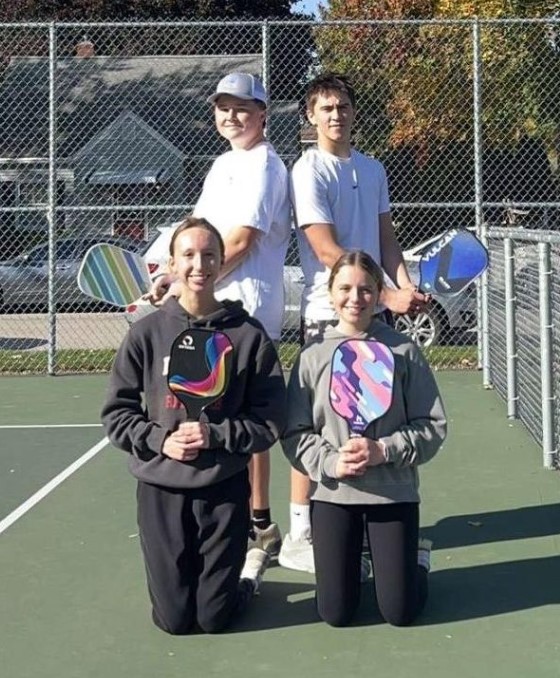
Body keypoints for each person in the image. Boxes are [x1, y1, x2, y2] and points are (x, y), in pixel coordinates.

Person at [101, 217, 287, 635]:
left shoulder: (247, 336)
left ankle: (249, 572)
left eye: (208, 255)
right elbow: (117, 414)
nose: (198, 264)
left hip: (223, 488)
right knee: (174, 620)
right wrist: (160, 441)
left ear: (222, 262)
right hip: (161, 488)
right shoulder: (147, 334)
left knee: (213, 617)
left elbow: (271, 418)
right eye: (188, 255)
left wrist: (216, 435)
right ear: (172, 263)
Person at [280, 72, 430, 573]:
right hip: (328, 317)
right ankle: (303, 527)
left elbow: (387, 241)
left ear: (353, 112)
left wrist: (403, 285)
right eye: (325, 108)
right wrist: (380, 290)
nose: (335, 116)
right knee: (320, 424)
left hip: (376, 314)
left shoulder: (374, 168)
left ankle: (370, 526)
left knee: (374, 419)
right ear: (310, 116)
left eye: (342, 106)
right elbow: (325, 249)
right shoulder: (308, 170)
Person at [147, 72, 291, 558]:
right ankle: (234, 518)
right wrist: (166, 270)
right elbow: (196, 235)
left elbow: (240, 240)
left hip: (246, 313)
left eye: (242, 108)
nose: (232, 116)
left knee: (245, 420)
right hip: (209, 311)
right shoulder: (223, 164)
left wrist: (187, 280)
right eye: (224, 107)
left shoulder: (265, 166)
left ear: (263, 114)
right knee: (208, 411)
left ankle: (259, 524)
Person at [281, 250, 446, 627]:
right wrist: (329, 462)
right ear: (330, 291)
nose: (355, 298)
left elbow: (433, 425)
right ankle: (359, 561)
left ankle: (414, 562)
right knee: (336, 613)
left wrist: (384, 449)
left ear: (378, 293)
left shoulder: (403, 350)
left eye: (366, 289)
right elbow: (294, 433)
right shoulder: (312, 355)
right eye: (345, 288)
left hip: (393, 492)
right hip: (334, 495)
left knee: (400, 612)